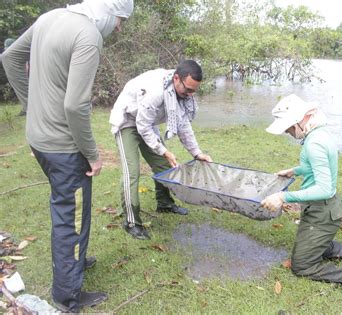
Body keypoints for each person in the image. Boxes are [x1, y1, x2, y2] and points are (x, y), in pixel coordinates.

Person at [1, 0, 134, 312]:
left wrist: (32, 106)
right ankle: (67, 296)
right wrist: (93, 155)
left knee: (69, 207)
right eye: (120, 20)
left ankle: (75, 262)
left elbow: (10, 57)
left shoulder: (50, 17)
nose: (119, 28)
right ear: (109, 11)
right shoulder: (88, 35)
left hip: (38, 140)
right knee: (70, 218)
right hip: (63, 148)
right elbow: (75, 106)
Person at [261, 94, 342, 300]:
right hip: (322, 211)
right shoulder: (318, 134)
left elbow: (324, 189)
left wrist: (283, 197)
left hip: (322, 212)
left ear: (300, 120)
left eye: (288, 127)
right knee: (314, 246)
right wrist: (295, 171)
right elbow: (315, 166)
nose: (287, 132)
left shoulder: (314, 143)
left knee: (302, 265)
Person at [109, 60, 212, 240]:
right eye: (188, 89)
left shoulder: (180, 93)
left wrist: (197, 153)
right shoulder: (155, 92)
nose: (190, 95)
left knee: (164, 167)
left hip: (147, 122)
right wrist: (163, 149)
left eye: (194, 91)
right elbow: (142, 126)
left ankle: (164, 203)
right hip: (128, 120)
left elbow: (183, 124)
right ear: (176, 78)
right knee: (131, 173)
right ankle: (131, 222)